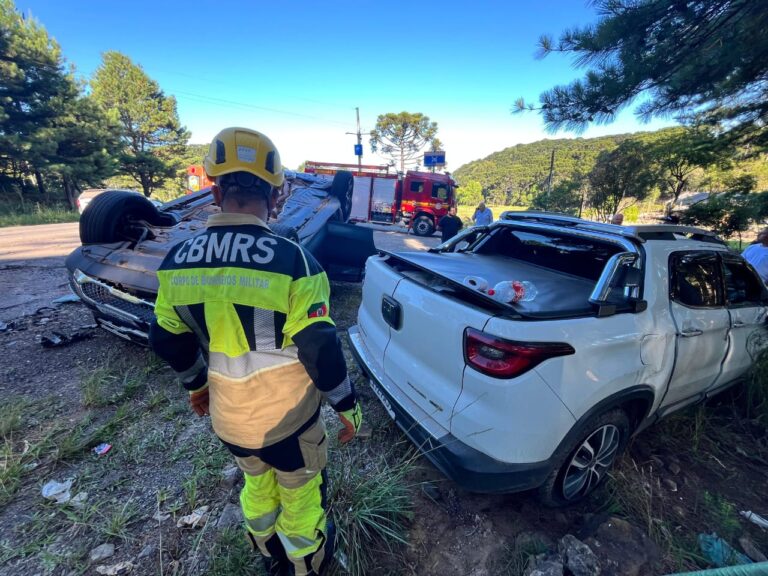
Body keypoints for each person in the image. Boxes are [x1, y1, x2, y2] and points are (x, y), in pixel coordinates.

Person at [149, 127, 362, 576]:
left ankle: (269, 557)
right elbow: (320, 344)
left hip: (230, 422)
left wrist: (196, 385)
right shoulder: (294, 261)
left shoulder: (176, 261)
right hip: (289, 424)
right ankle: (305, 567)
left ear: (215, 189)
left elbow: (166, 338)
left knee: (257, 488)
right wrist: (347, 405)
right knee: (301, 499)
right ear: (277, 195)